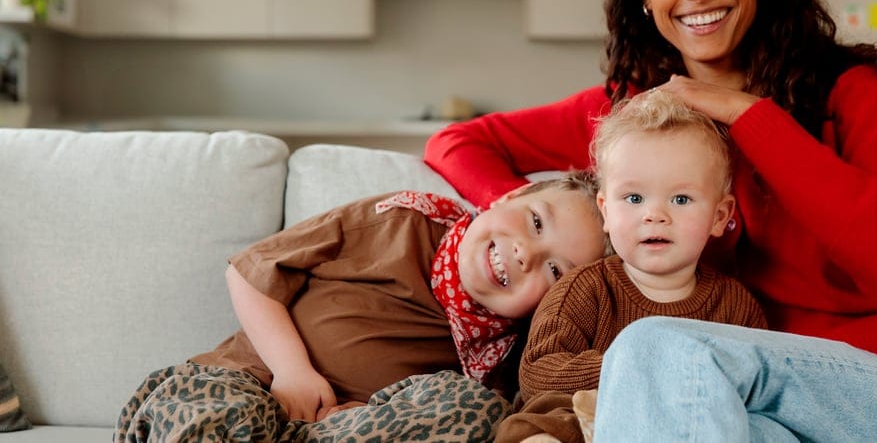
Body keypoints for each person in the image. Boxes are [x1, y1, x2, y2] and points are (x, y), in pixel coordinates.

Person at [423, 0, 877, 440]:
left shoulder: (853, 94)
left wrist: (751, 117)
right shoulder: (638, 120)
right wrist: (540, 220)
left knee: (651, 346)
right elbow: (460, 141)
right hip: (742, 411)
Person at [114, 173, 610, 442]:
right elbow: (250, 272)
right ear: (511, 195)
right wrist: (293, 373)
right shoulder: (402, 221)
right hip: (248, 380)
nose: (527, 253)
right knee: (203, 414)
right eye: (536, 223)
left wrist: (363, 417)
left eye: (555, 271)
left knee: (477, 411)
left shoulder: (509, 352)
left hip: (339, 426)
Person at [496, 90, 766, 443]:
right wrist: (641, 370)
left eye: (681, 199)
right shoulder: (583, 289)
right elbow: (537, 375)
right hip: (578, 425)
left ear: (719, 217)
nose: (654, 215)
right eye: (634, 198)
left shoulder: (733, 305)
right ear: (606, 211)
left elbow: (760, 385)